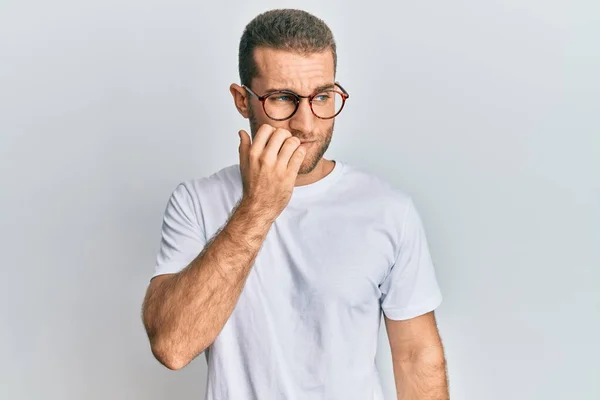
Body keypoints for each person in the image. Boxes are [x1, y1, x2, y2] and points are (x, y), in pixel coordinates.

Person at [142, 8, 449, 400]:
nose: (306, 123)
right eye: (283, 98)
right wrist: (259, 207)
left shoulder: (388, 210)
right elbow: (173, 346)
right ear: (242, 100)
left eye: (322, 96)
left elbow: (415, 355)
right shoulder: (196, 203)